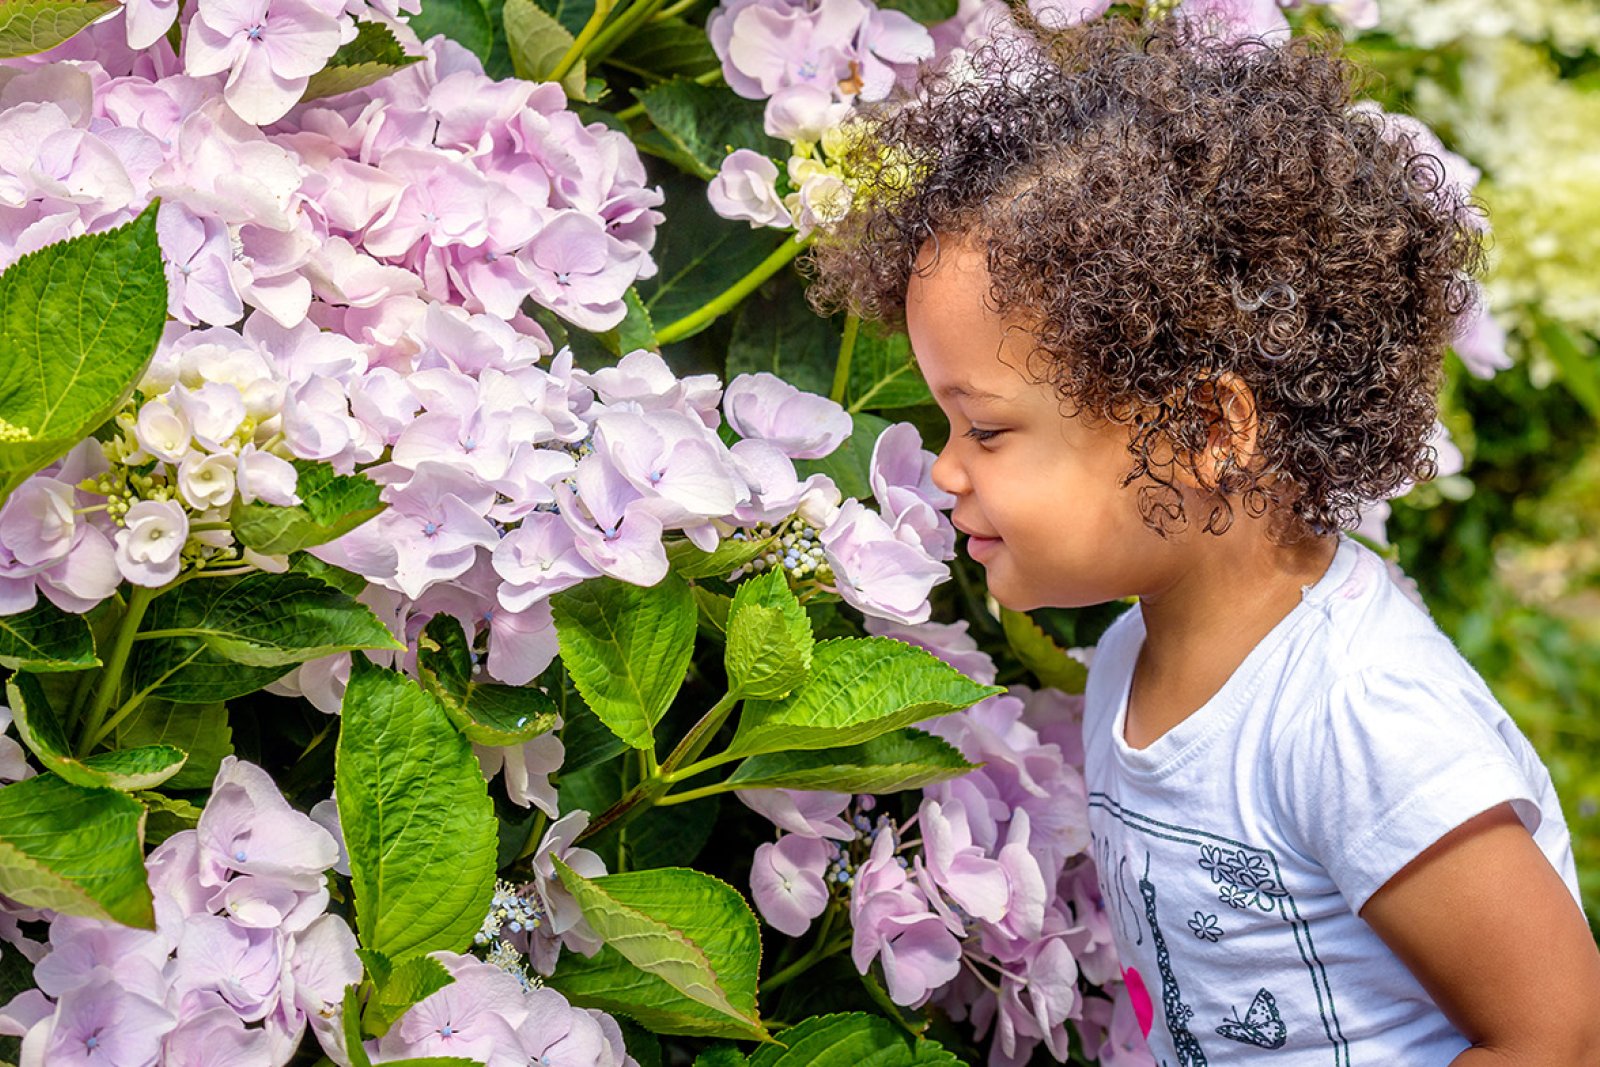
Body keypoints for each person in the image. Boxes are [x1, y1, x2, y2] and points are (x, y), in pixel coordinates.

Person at [808, 16, 1600, 1066]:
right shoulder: (1133, 662)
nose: (947, 468)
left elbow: (1560, 1031)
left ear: (1202, 432)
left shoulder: (1357, 716)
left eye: (987, 427)